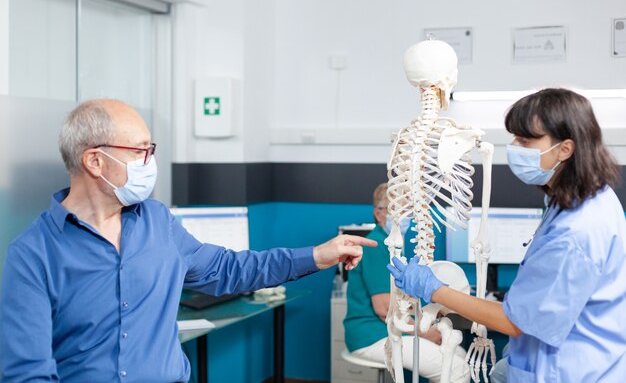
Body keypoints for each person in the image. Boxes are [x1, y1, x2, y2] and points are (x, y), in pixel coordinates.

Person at [0, 99, 376, 383]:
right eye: (140, 151)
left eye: (151, 150)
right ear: (95, 162)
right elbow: (27, 372)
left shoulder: (158, 222)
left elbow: (228, 270)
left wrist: (316, 256)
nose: (150, 162)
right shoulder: (33, 255)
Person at [388, 88, 626, 383]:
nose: (514, 147)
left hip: (570, 372)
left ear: (565, 149)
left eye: (525, 141)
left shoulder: (576, 233)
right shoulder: (587, 198)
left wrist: (433, 289)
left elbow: (514, 321)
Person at [344, 183, 469, 383]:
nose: (404, 216)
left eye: (407, 209)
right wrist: (427, 334)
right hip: (371, 335)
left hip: (388, 329)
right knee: (457, 370)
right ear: (379, 214)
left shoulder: (394, 248)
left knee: (460, 354)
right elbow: (385, 309)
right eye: (397, 209)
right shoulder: (377, 246)